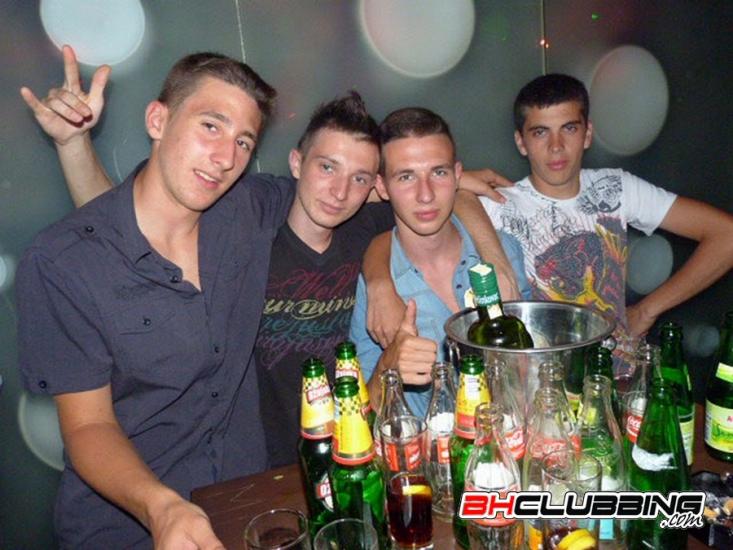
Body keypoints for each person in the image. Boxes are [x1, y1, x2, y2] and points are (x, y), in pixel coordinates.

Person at [21, 48, 524, 472]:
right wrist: (73, 144)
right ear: (297, 164)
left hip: (339, 453)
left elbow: (433, 195)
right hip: (253, 462)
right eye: (326, 167)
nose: (339, 190)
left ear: (373, 186)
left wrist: (410, 266)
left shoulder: (363, 221)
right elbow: (131, 224)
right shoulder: (245, 217)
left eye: (358, 178)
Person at [17, 47, 291, 548]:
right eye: (211, 126)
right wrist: (160, 506)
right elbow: (88, 426)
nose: (226, 157)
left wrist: (443, 192)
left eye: (243, 141)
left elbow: (340, 186)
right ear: (158, 120)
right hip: (128, 527)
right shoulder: (62, 261)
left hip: (244, 507)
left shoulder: (247, 210)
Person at [476, 73, 733, 341]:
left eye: (569, 128)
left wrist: (647, 310)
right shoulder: (498, 204)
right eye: (541, 132)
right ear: (521, 142)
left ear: (587, 134)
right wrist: (461, 186)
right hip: (542, 366)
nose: (556, 146)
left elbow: (726, 235)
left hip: (618, 363)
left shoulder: (615, 187)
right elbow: (446, 206)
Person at [348, 107, 500, 416]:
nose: (426, 194)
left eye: (438, 173)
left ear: (458, 175)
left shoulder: (503, 252)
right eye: (406, 177)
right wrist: (389, 365)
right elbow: (359, 415)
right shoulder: (374, 285)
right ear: (382, 187)